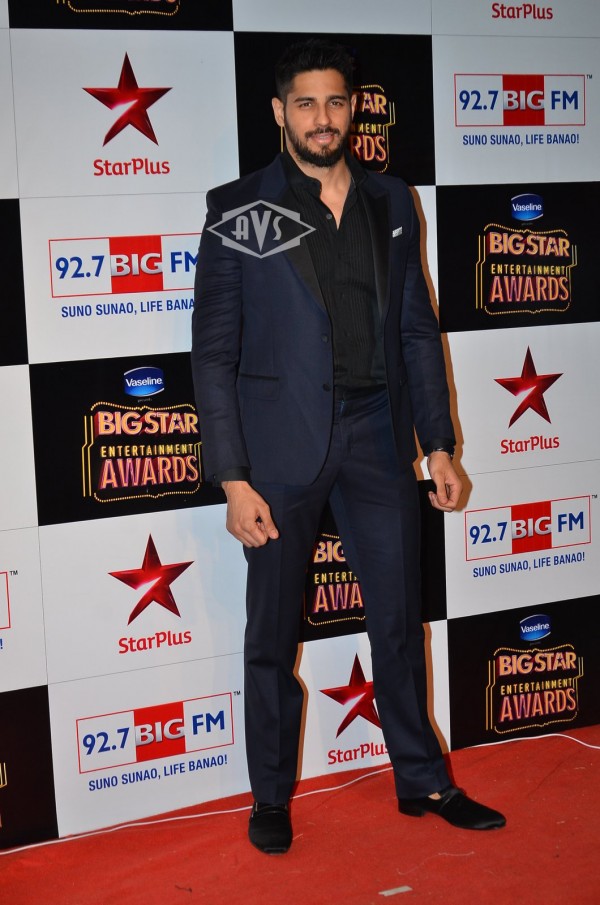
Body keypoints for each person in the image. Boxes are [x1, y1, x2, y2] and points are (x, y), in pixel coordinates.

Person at [191, 38, 505, 854]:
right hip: (278, 451)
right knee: (271, 636)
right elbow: (214, 354)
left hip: (377, 436)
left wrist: (439, 442)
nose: (322, 118)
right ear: (279, 111)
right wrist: (232, 477)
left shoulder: (390, 199)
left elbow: (416, 329)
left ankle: (423, 778)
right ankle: (269, 795)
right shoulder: (241, 208)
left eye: (335, 102)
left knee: (398, 622)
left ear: (354, 108)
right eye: (305, 103)